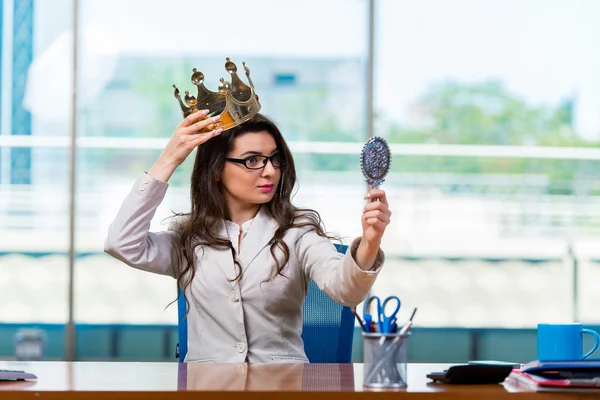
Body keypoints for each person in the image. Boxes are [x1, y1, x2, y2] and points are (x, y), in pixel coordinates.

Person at [104, 110, 392, 363]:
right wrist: (169, 159)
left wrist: (369, 242)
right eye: (252, 160)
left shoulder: (298, 232)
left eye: (274, 159)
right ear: (216, 170)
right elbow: (123, 243)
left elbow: (347, 291)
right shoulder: (189, 239)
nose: (269, 171)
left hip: (281, 387)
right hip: (207, 388)